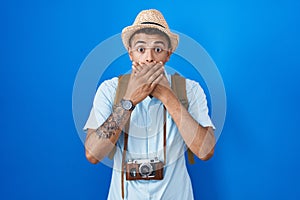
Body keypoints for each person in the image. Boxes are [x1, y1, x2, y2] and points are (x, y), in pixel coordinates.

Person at [84, 9, 215, 200]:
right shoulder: (110, 89)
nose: (149, 58)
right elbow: (93, 154)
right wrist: (128, 101)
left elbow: (205, 151)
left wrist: (167, 96)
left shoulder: (191, 90)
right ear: (130, 53)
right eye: (141, 49)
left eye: (158, 49)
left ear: (168, 55)